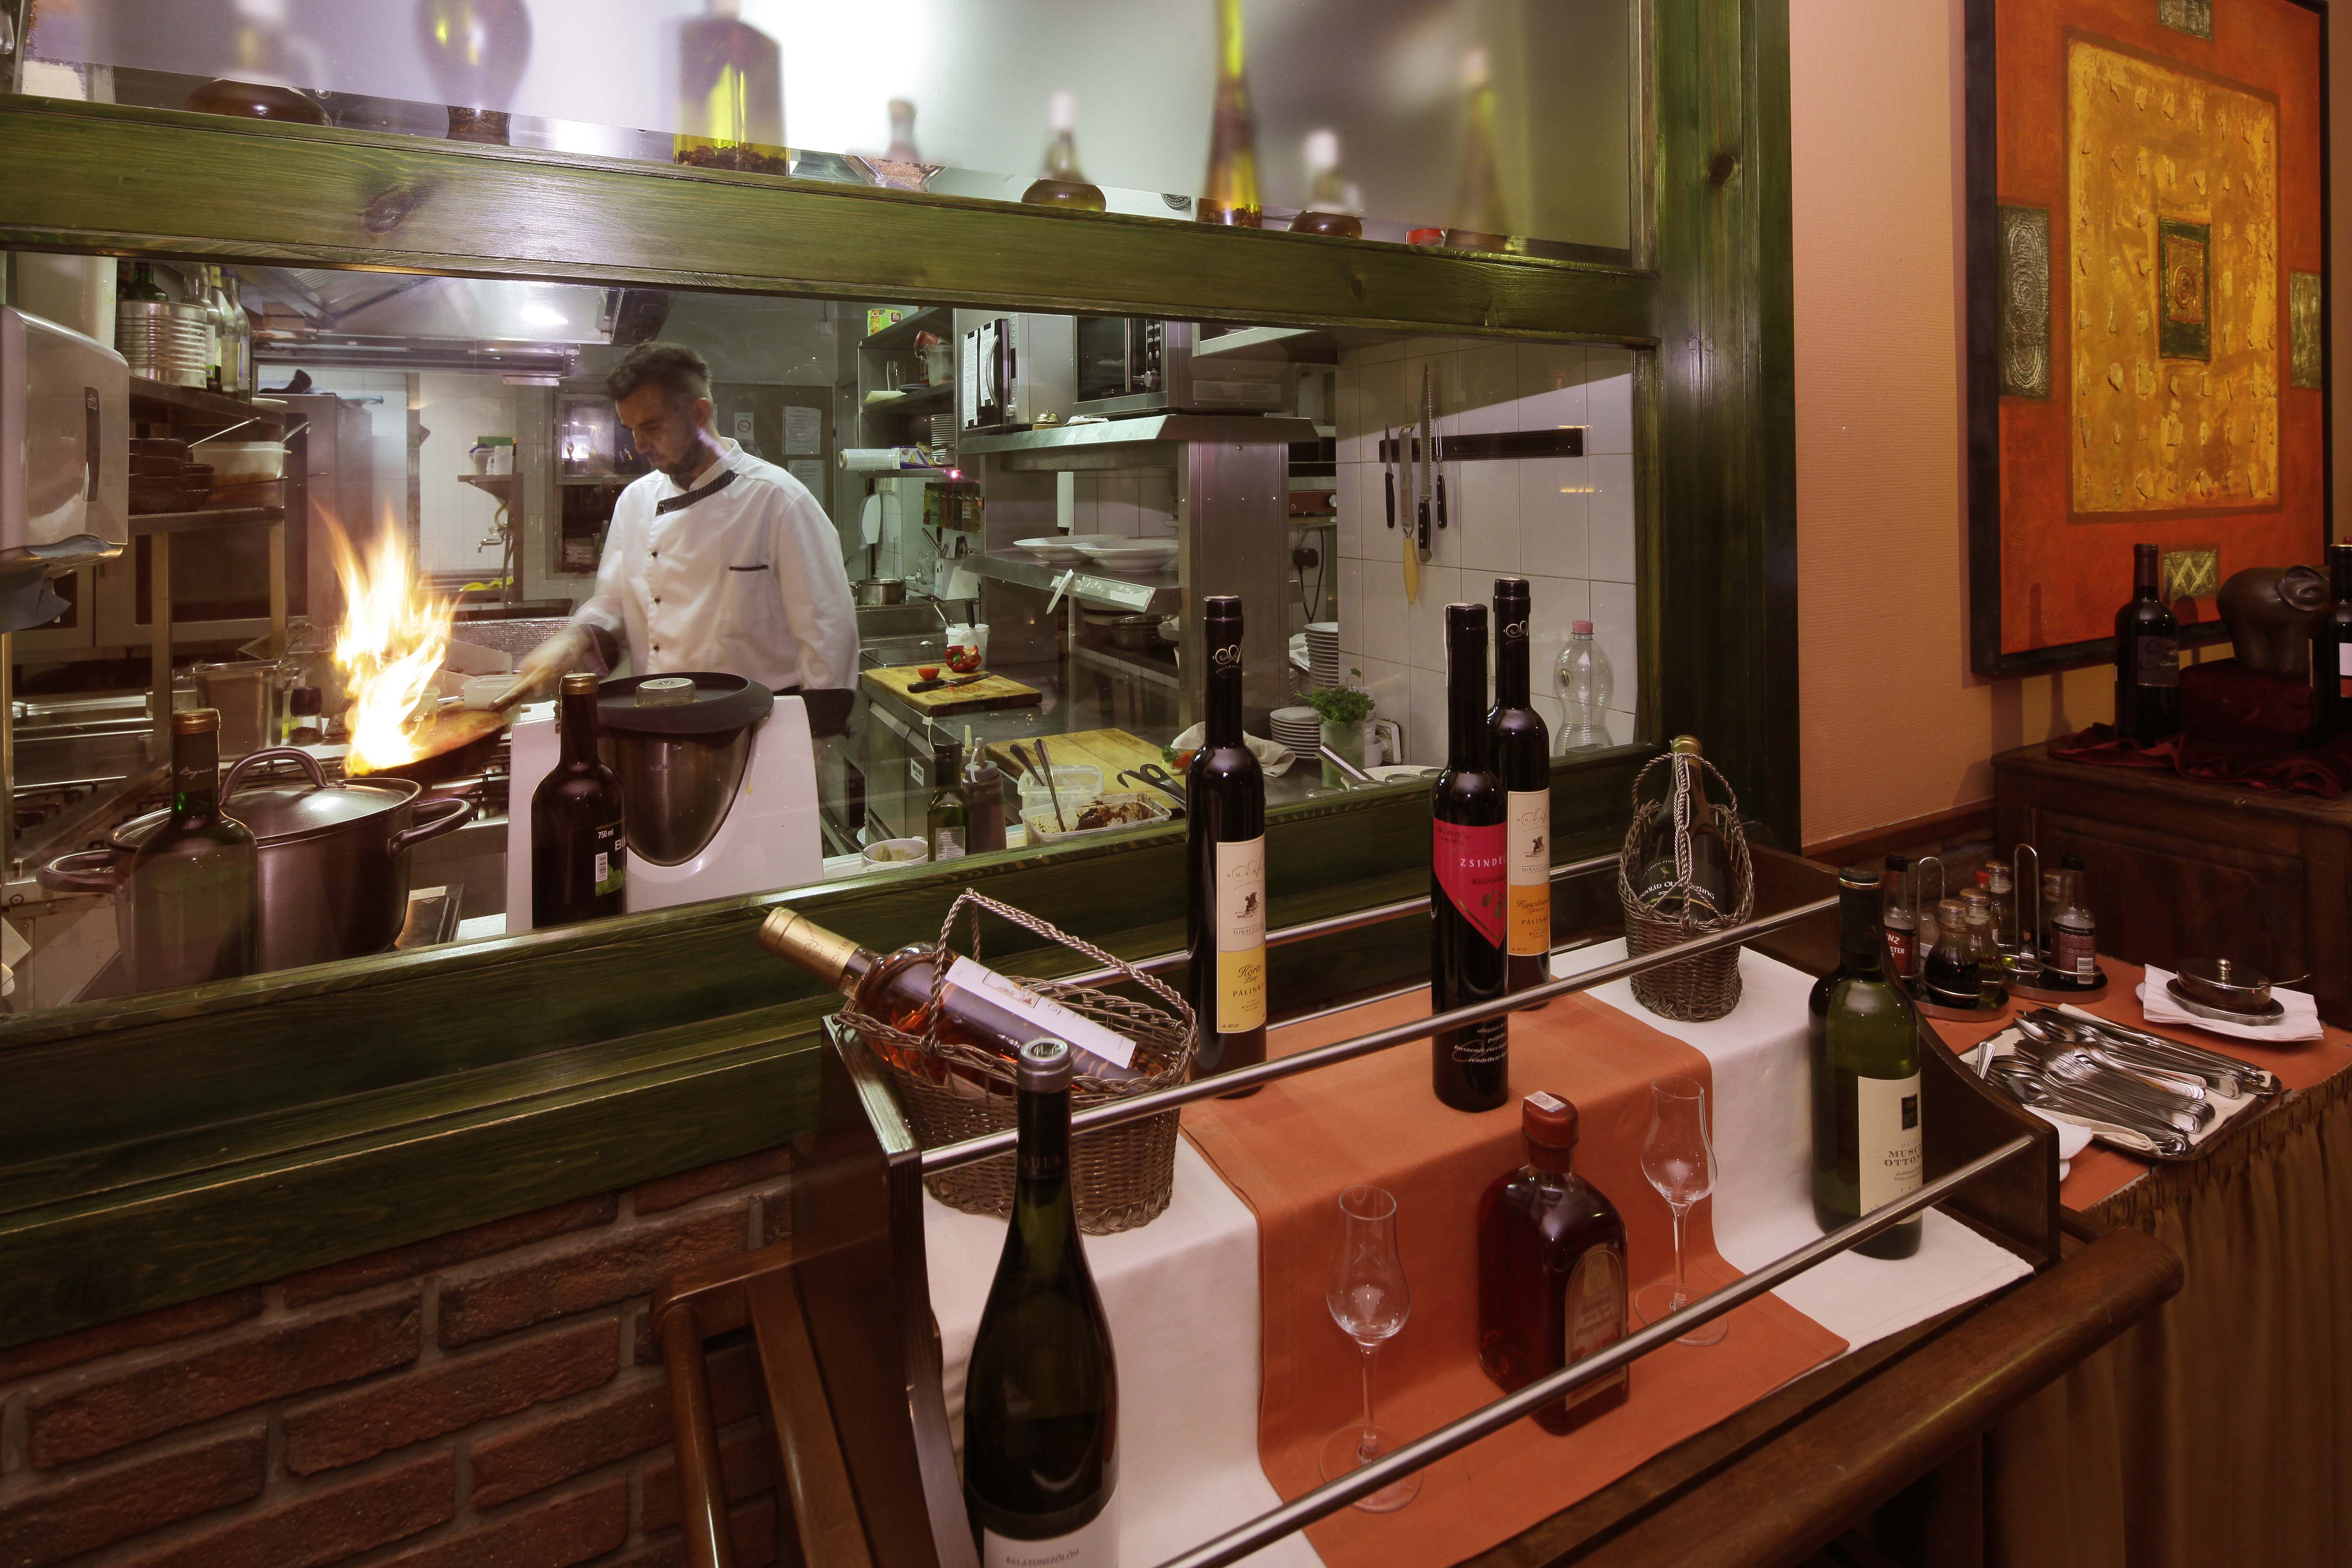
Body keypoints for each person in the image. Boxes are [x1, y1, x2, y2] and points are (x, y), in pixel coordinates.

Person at [496, 342, 857, 712]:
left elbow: (828, 629)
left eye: (651, 427)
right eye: (631, 429)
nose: (639, 445)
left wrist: (814, 732)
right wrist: (574, 641)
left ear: (699, 413)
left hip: (758, 721)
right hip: (658, 715)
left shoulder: (778, 499)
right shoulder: (636, 501)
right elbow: (616, 603)